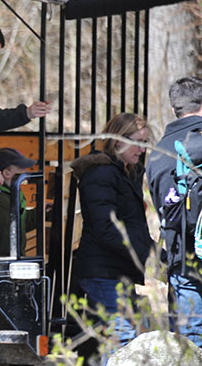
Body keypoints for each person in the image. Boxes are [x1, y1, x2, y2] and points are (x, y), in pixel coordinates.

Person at [71, 112, 153, 352]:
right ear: (117, 140)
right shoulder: (102, 174)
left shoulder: (123, 173)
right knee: (122, 337)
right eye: (137, 142)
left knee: (121, 339)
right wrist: (147, 256)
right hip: (104, 271)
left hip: (116, 271)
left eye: (145, 143)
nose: (142, 149)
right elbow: (106, 228)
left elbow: (131, 226)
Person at [146, 76, 202, 349]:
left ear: (173, 110)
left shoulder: (159, 151)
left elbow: (162, 206)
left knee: (187, 336)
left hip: (182, 256)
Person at [0, 148, 38, 256]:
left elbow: (21, 222)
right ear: (6, 172)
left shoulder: (16, 193)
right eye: (21, 168)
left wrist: (43, 212)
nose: (25, 172)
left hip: (15, 260)